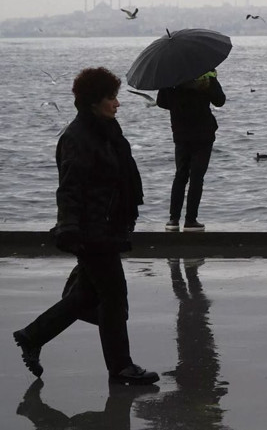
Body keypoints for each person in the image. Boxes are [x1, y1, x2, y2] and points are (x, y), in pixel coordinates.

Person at [13, 67, 159, 385]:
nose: (117, 104)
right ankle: (121, 366)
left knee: (88, 296)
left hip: (107, 226)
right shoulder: (78, 138)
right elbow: (70, 187)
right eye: (111, 98)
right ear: (94, 101)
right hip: (93, 231)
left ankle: (32, 335)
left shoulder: (107, 132)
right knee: (114, 297)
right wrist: (69, 227)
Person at [157, 70, 226, 232]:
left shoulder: (171, 77)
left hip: (181, 133)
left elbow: (161, 102)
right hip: (203, 134)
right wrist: (212, 80)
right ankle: (191, 220)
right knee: (197, 177)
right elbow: (220, 101)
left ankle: (173, 220)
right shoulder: (205, 75)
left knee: (180, 175)